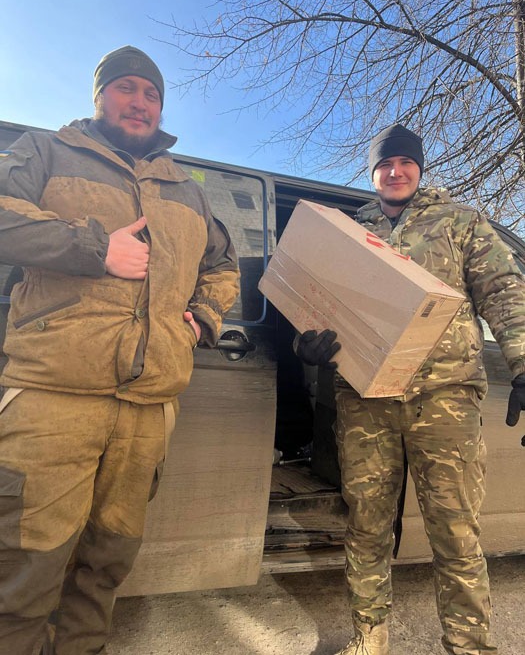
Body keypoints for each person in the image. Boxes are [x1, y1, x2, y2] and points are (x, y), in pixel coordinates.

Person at [0, 45, 239, 655]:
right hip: (53, 398)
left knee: (105, 564)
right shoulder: (45, 152)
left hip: (147, 407)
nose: (139, 102)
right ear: (99, 96)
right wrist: (93, 247)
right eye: (126, 88)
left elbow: (224, 268)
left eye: (151, 94)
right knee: (25, 568)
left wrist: (202, 319)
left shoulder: (187, 188)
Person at [296, 123, 525, 655]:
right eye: (384, 164)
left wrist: (522, 364)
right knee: (366, 526)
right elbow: (314, 302)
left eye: (404, 162)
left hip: (443, 399)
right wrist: (305, 346)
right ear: (372, 172)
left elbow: (503, 291)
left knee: (455, 531)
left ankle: (469, 646)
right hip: (365, 398)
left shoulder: (460, 223)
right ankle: (369, 638)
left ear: (419, 167)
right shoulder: (351, 231)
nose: (394, 172)